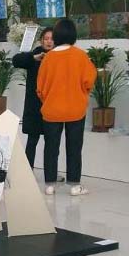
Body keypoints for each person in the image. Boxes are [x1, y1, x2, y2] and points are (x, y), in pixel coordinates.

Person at [37, 18, 97, 196]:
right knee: (74, 147)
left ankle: (50, 184)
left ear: (55, 36)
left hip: (51, 110)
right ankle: (74, 185)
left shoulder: (48, 58)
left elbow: (40, 88)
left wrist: (48, 100)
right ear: (73, 35)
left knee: (51, 147)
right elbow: (89, 81)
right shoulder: (80, 56)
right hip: (75, 109)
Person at [12, 27, 56, 168]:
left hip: (52, 105)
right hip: (34, 105)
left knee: (51, 143)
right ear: (41, 40)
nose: (49, 42)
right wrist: (33, 58)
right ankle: (27, 170)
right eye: (46, 39)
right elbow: (16, 60)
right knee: (32, 140)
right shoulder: (36, 54)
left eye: (52, 39)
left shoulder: (59, 56)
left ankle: (50, 173)